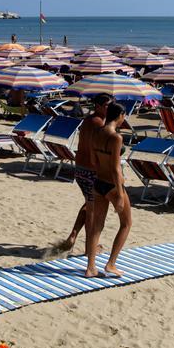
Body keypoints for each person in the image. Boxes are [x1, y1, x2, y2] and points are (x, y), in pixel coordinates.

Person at [63, 94, 112, 253]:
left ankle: (73, 234)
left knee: (89, 204)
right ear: (97, 106)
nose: (108, 108)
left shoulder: (87, 120)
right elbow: (99, 149)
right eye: (106, 105)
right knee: (94, 210)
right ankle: (89, 248)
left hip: (80, 169)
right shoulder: (99, 124)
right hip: (92, 171)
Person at [87, 102, 131, 278]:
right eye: (124, 116)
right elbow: (115, 169)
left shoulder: (96, 132)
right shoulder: (116, 137)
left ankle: (90, 267)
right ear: (119, 115)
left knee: (96, 226)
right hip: (113, 184)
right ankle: (111, 264)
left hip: (98, 182)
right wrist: (120, 194)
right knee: (126, 224)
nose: (124, 119)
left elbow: (94, 159)